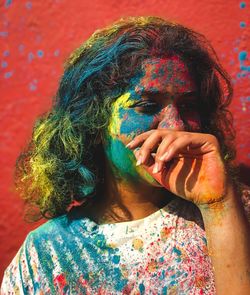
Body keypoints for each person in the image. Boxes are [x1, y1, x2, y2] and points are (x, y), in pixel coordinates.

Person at [1, 16, 250, 294]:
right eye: (146, 105)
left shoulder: (235, 211)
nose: (175, 125)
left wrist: (219, 206)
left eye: (188, 105)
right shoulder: (47, 256)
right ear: (94, 122)